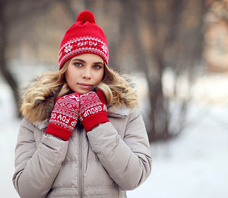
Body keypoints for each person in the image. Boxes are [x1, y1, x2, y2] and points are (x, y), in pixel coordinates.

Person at [13, 10, 152, 198]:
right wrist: (56, 132)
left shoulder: (124, 111)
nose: (88, 74)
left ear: (104, 70)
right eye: (78, 64)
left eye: (97, 66)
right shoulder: (37, 114)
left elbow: (134, 178)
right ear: (65, 66)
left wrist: (99, 124)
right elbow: (27, 190)